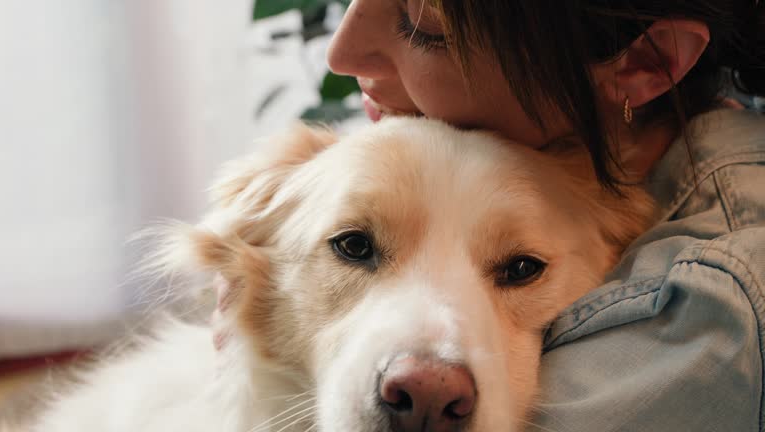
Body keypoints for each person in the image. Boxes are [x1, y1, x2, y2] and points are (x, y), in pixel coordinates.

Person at [216, 0, 765, 430]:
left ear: (646, 61)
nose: (344, 53)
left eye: (425, 22)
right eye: (355, 245)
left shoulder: (707, 303)